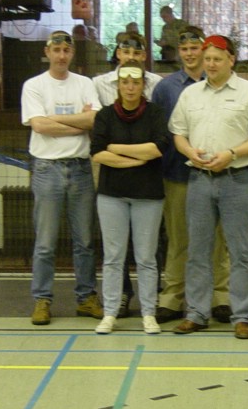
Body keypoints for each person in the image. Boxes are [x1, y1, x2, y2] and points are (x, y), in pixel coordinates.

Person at [169, 34, 248, 339]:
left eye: (217, 59)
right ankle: (197, 313)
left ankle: (241, 315)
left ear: (231, 60)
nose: (211, 64)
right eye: (207, 59)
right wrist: (191, 154)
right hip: (199, 181)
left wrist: (231, 154)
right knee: (198, 251)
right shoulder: (191, 96)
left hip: (237, 181)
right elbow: (178, 134)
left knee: (241, 252)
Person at [151, 26, 232, 325]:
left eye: (194, 48)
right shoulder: (166, 88)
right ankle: (173, 298)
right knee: (178, 239)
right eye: (183, 49)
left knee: (217, 240)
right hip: (177, 176)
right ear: (179, 52)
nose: (189, 53)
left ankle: (220, 298)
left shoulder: (221, 85)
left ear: (204, 49)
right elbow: (161, 132)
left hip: (217, 175)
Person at [22, 30, 104, 326]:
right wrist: (77, 124)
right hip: (47, 169)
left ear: (72, 54)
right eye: (55, 50)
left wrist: (53, 120)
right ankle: (42, 299)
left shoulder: (85, 84)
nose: (60, 55)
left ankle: (86, 298)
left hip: (80, 168)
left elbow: (94, 120)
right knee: (45, 243)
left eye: (65, 50)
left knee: (84, 240)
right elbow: (39, 127)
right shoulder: (33, 86)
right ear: (47, 52)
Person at [91, 60, 170, 335]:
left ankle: (149, 313)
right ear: (118, 84)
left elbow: (158, 148)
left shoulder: (156, 113)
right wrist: (138, 158)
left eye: (135, 82)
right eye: (125, 82)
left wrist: (117, 150)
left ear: (143, 85)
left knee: (147, 257)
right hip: (111, 196)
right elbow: (98, 152)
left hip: (148, 196)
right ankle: (110, 312)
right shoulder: (104, 116)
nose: (130, 87)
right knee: (113, 257)